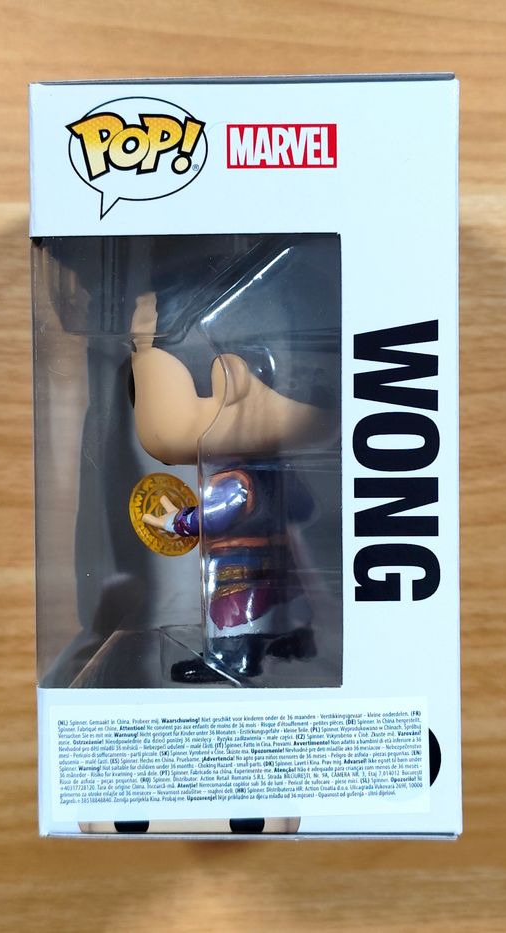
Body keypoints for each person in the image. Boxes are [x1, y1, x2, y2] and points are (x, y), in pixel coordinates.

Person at [129, 234, 341, 681]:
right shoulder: (274, 471)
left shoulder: (237, 478)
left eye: (140, 389)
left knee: (237, 611)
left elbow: (219, 512)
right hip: (276, 559)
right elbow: (304, 507)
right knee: (279, 600)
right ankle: (294, 638)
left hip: (238, 566)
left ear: (231, 381)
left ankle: (234, 658)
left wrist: (177, 522)